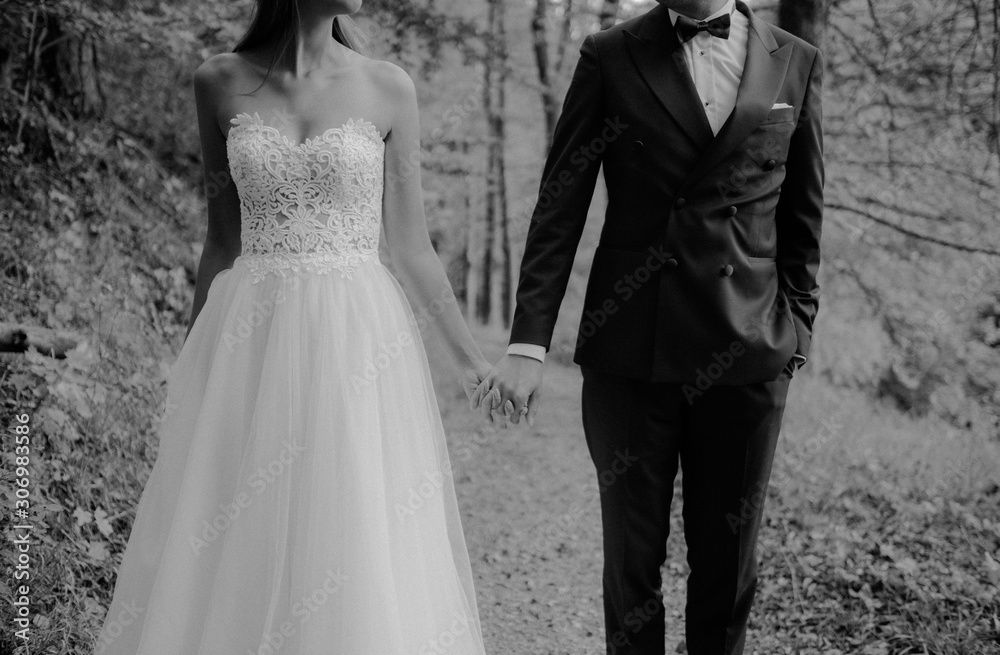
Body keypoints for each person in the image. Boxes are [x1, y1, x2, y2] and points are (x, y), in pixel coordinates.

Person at [94, 1, 490, 652]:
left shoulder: (389, 87)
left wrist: (471, 361)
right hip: (250, 335)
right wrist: (191, 369)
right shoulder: (216, 82)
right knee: (236, 521)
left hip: (356, 339)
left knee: (348, 522)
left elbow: (412, 246)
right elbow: (220, 242)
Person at [474, 0, 824, 653]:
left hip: (749, 356)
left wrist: (796, 330)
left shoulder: (794, 60)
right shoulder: (609, 53)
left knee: (728, 570)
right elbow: (561, 203)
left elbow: (803, 218)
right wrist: (527, 341)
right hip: (632, 353)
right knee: (632, 567)